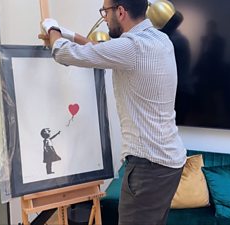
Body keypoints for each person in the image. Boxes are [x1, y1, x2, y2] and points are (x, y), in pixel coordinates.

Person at [40, 0, 186, 224]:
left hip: (149, 165)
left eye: (105, 12)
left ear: (121, 12)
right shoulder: (160, 39)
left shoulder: (131, 47)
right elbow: (99, 50)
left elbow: (63, 54)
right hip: (170, 161)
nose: (104, 18)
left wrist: (52, 29)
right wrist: (67, 33)